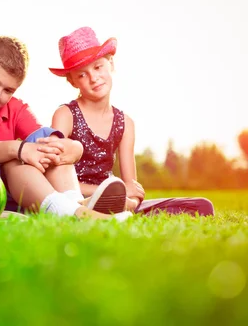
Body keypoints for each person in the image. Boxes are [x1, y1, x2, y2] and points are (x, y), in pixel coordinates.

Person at [0, 36, 132, 220]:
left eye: (8, 90)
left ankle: (74, 204)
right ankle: (76, 212)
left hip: (11, 193)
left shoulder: (16, 107)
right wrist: (17, 149)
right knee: (13, 158)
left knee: (46, 139)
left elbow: (47, 141)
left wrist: (75, 147)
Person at [49, 26, 214, 216]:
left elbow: (131, 187)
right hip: (73, 197)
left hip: (115, 196)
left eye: (97, 67)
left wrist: (129, 200)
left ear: (111, 64)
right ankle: (96, 208)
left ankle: (114, 209)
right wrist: (107, 193)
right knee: (74, 200)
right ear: (72, 81)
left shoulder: (125, 123)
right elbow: (55, 181)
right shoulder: (65, 115)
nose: (93, 78)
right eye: (82, 74)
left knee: (203, 206)